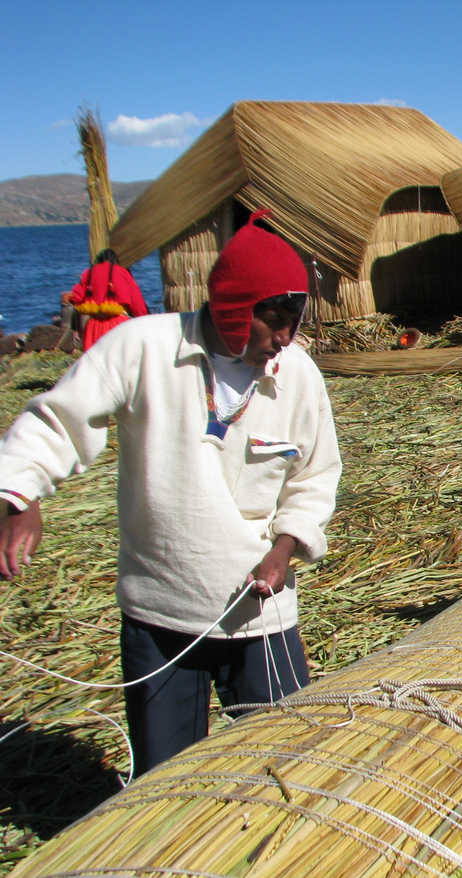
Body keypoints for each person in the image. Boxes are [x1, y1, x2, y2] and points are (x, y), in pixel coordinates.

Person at [0, 209, 342, 773]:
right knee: (165, 778)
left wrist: (286, 548)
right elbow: (57, 422)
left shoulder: (298, 374)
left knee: (288, 766)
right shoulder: (142, 350)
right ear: (234, 306)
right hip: (160, 615)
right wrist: (19, 494)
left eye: (295, 318)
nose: (284, 336)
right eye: (274, 318)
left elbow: (315, 475)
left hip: (258, 616)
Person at [61, 248, 149, 350]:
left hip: (93, 328)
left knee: (95, 362)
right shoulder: (121, 272)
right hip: (117, 326)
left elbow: (75, 298)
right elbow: (137, 304)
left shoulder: (88, 273)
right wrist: (145, 321)